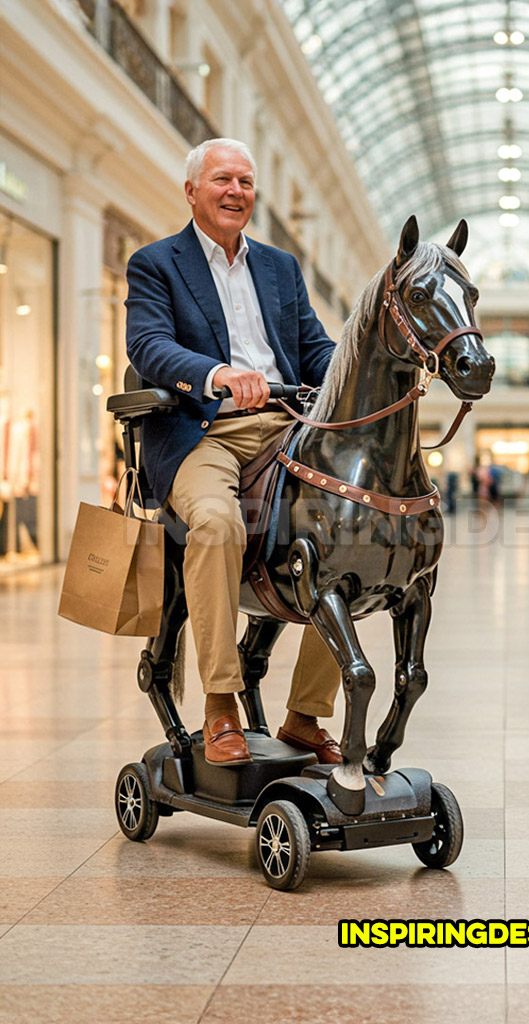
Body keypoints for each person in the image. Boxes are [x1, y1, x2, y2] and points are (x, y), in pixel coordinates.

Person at [125, 137, 343, 766]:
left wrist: (353, 376)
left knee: (345, 533)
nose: (236, 192)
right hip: (204, 429)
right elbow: (149, 346)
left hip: (286, 426)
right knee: (217, 523)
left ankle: (305, 717)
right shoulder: (156, 263)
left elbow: (315, 347)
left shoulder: (280, 267)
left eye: (246, 182)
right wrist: (218, 375)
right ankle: (221, 703)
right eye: (222, 179)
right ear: (191, 191)